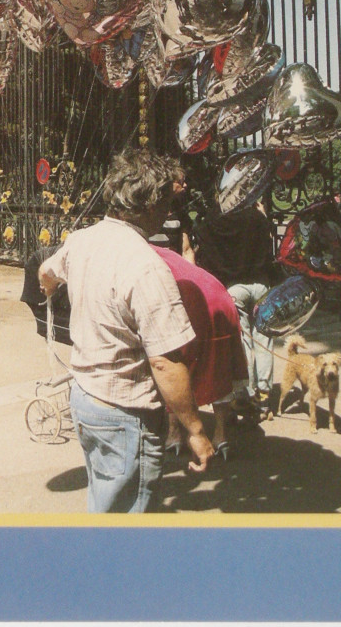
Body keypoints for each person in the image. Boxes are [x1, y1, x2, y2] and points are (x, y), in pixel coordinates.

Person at [38, 148, 214, 513]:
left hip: (85, 399)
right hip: (124, 413)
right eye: (166, 200)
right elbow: (166, 362)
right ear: (149, 202)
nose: (169, 211)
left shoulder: (82, 240)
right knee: (127, 520)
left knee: (105, 500)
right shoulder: (146, 266)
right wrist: (195, 430)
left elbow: (46, 273)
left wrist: (52, 289)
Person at [151, 245, 248, 459]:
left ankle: (174, 434)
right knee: (219, 367)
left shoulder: (142, 258)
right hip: (219, 296)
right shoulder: (166, 253)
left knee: (174, 363)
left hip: (194, 301)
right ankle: (221, 436)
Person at [189, 201, 281, 420]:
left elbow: (204, 247)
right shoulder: (257, 217)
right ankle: (264, 394)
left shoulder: (217, 221)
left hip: (233, 286)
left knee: (243, 340)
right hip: (261, 283)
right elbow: (269, 250)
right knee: (265, 338)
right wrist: (263, 215)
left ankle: (244, 394)